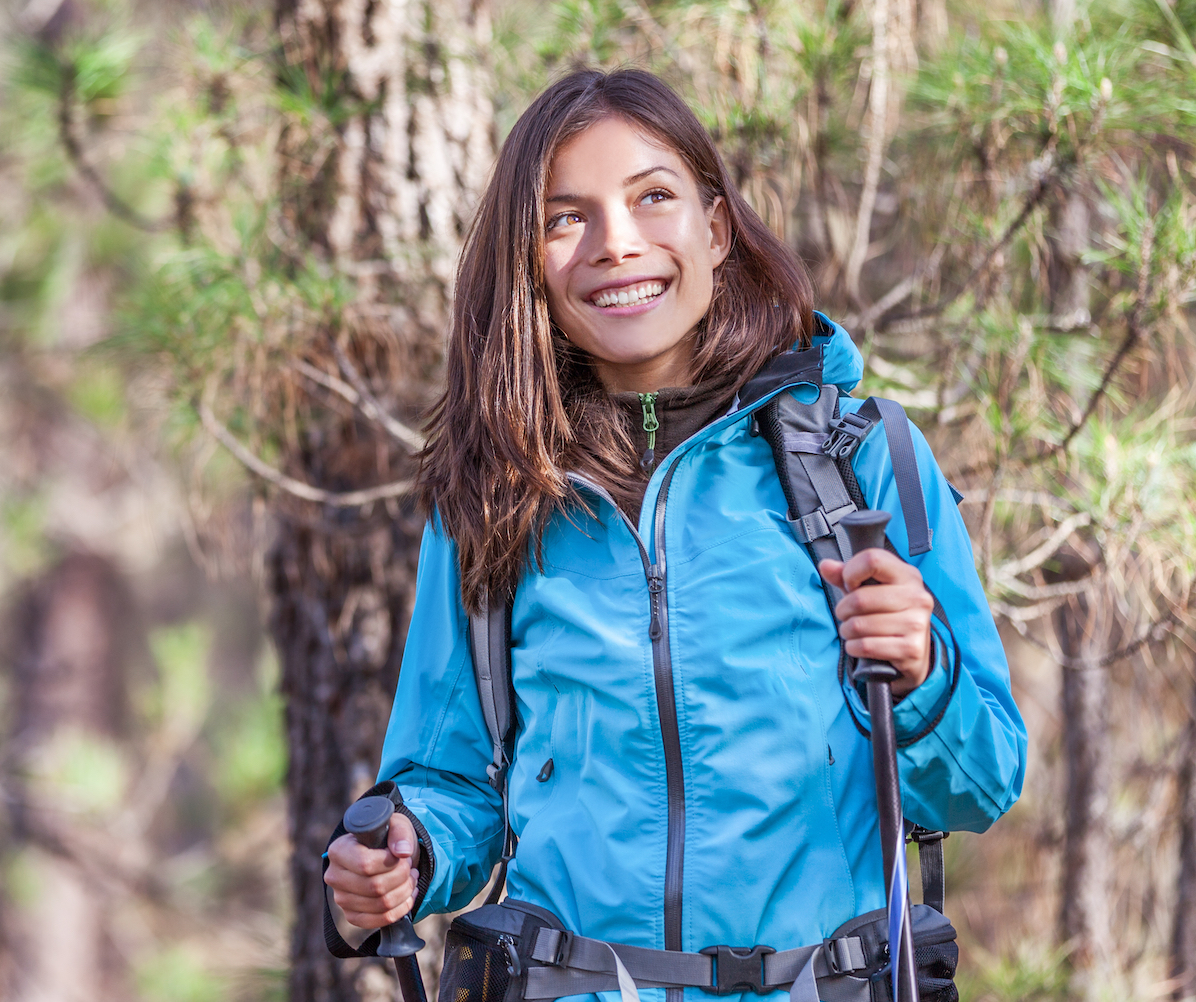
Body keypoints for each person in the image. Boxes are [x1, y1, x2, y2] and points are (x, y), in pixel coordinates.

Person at [322, 68, 1027, 1000]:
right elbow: (454, 780)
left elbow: (980, 783)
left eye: (653, 197)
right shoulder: (492, 493)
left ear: (717, 228)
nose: (617, 245)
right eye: (563, 217)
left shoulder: (859, 460)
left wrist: (921, 675)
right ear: (526, 257)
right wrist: (401, 855)